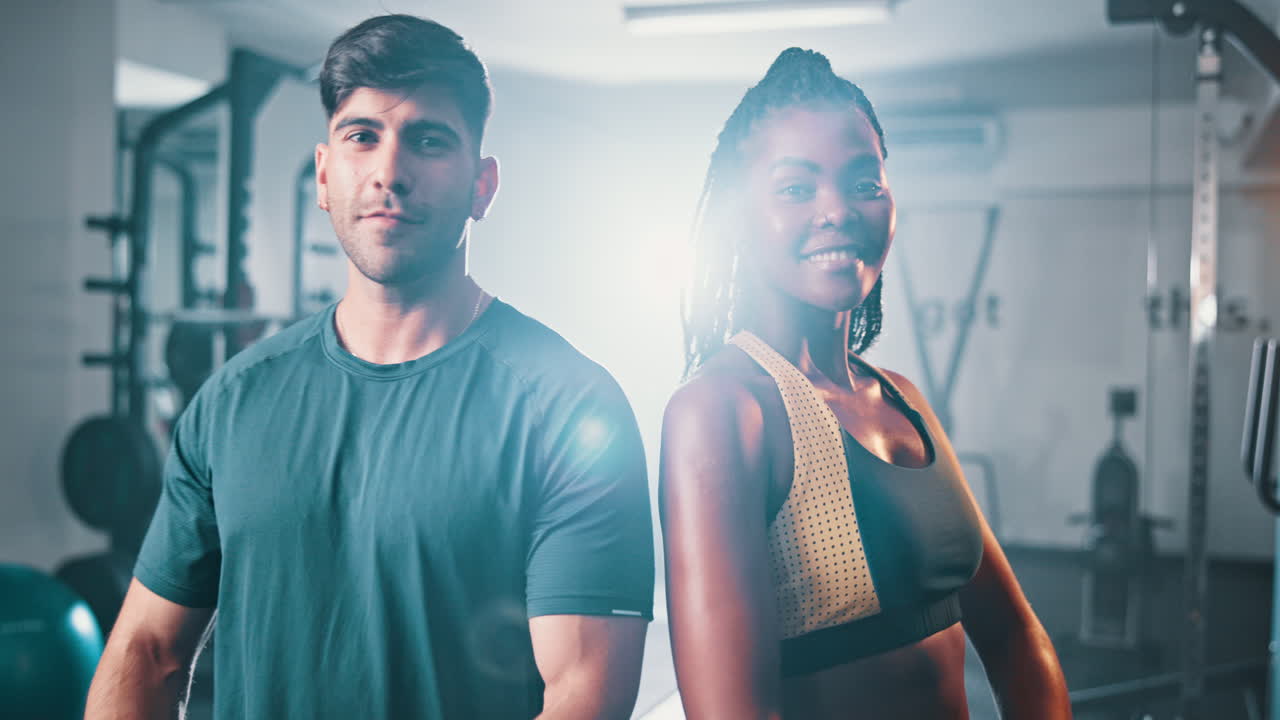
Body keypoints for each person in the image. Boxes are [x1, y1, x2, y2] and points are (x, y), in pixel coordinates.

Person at [85, 15, 653, 719]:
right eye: (362, 137)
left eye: (428, 139)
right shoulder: (232, 401)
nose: (390, 171)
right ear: (325, 175)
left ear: (483, 185)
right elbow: (145, 651)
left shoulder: (568, 409)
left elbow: (582, 699)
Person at [659, 48, 1070, 719]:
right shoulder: (723, 411)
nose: (837, 211)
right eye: (796, 188)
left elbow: (1017, 635)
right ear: (741, 216)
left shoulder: (901, 398)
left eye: (863, 182)